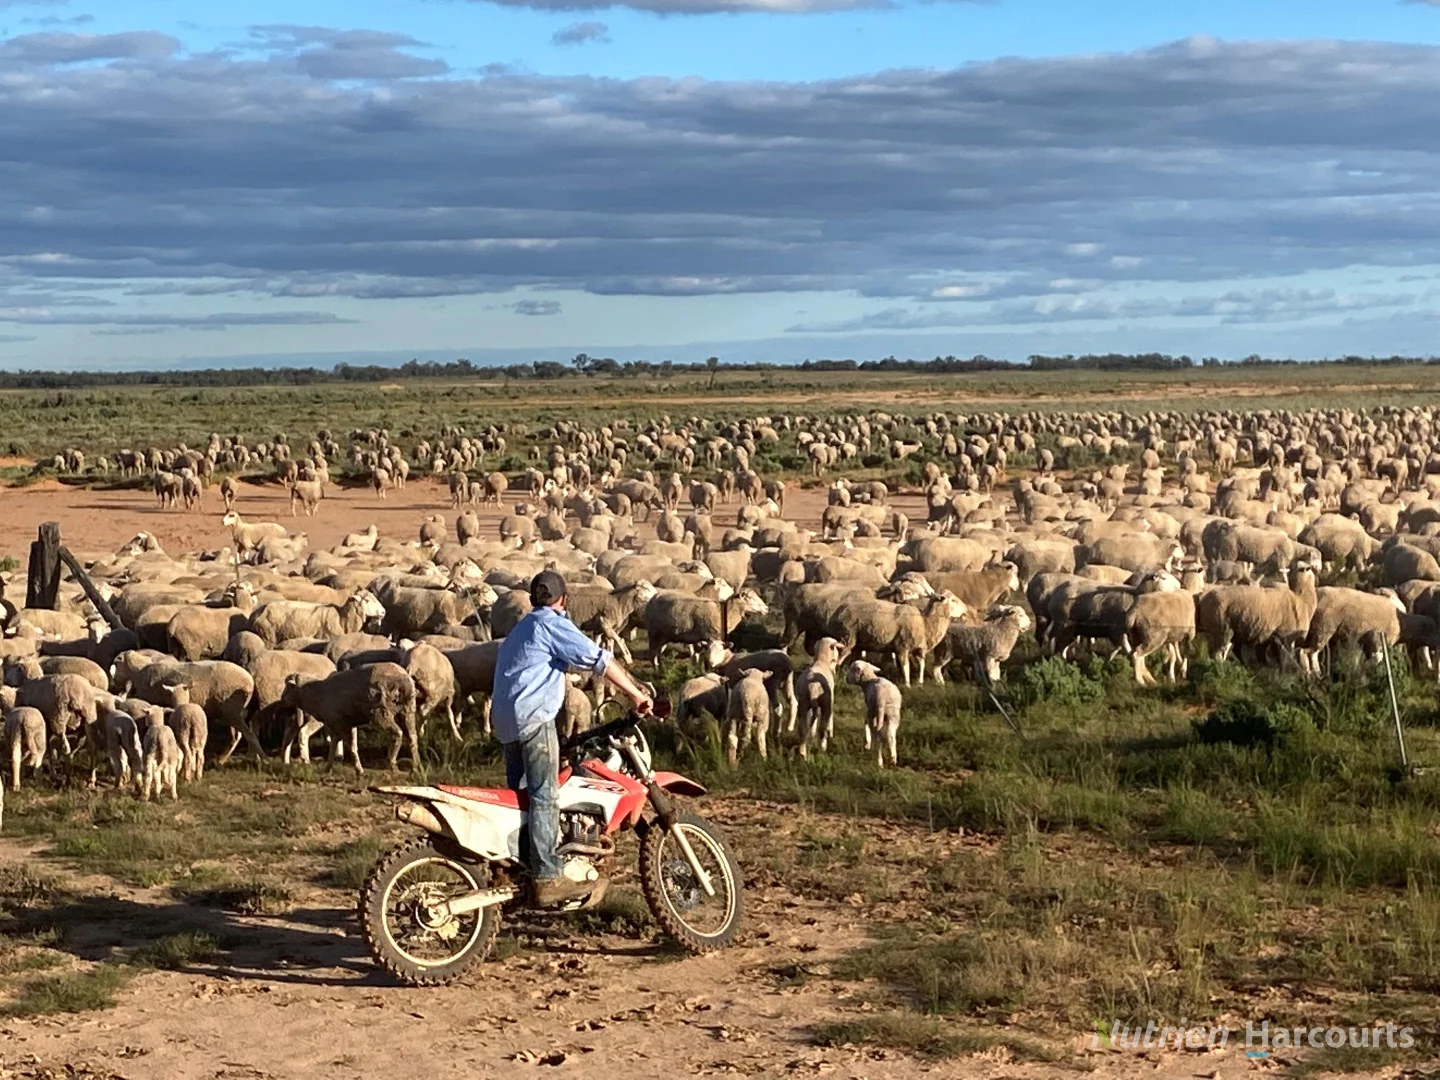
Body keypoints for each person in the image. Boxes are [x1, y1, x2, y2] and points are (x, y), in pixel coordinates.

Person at [490, 569, 654, 906]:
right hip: (534, 719)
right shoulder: (552, 623)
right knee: (544, 795)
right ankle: (548, 875)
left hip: (506, 725)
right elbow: (599, 661)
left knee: (522, 800)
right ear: (563, 600)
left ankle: (520, 868)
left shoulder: (521, 628)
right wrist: (636, 695)